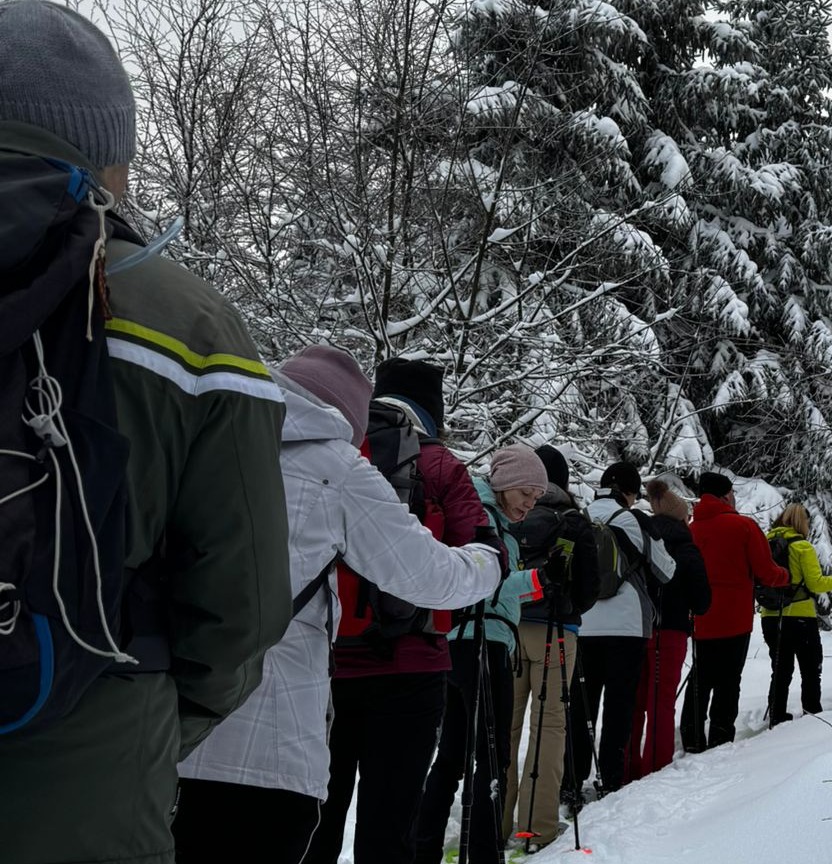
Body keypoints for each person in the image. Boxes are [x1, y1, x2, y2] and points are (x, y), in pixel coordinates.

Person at [0, 5, 290, 862]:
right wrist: (154, 720)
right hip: (89, 762)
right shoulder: (186, 321)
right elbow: (242, 605)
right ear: (108, 151)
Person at [174, 347, 508, 864]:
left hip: (181, 724)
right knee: (385, 828)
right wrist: (490, 562)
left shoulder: (210, 438)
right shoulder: (345, 466)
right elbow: (428, 573)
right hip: (296, 723)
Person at [306, 358, 489, 864]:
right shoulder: (441, 465)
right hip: (413, 666)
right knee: (390, 826)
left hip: (324, 663)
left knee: (317, 817)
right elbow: (481, 548)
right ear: (434, 409)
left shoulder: (336, 452)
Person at [415, 445, 546, 864]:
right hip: (481, 643)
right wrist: (540, 580)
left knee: (452, 756)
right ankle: (484, 854)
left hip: (461, 643)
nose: (530, 502)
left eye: (537, 497)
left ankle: (424, 848)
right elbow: (489, 585)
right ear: (505, 483)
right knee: (493, 756)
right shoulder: (484, 518)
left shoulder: (487, 516)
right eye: (526, 491)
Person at [501, 444, 600, 851]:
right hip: (556, 631)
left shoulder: (508, 516)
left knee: (505, 726)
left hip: (508, 627)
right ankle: (536, 828)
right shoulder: (573, 522)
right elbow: (589, 588)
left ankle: (495, 821)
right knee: (549, 725)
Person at [565, 463, 676, 802]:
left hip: (583, 624)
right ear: (630, 492)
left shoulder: (578, 517)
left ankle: (571, 779)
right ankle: (612, 779)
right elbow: (666, 570)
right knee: (619, 704)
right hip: (627, 626)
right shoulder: (636, 520)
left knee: (581, 707)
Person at [682, 472, 788, 752]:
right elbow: (766, 572)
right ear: (726, 495)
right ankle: (719, 738)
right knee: (728, 680)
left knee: (701, 677)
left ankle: (692, 737)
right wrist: (785, 576)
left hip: (701, 618)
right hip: (735, 618)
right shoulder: (743, 526)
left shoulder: (691, 529)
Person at [627, 475, 710, 781]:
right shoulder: (686, 549)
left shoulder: (639, 541)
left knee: (635, 703)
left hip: (636, 629)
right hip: (671, 630)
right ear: (682, 519)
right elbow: (703, 601)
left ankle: (627, 769)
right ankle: (655, 770)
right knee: (661, 705)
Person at [760, 503, 832, 727]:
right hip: (800, 617)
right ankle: (812, 711)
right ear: (801, 522)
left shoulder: (765, 545)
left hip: (770, 616)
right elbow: (815, 583)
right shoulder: (802, 546)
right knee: (810, 667)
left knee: (781, 669)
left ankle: (777, 714)